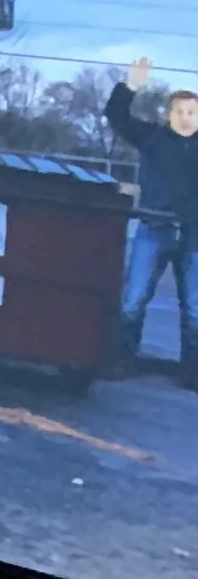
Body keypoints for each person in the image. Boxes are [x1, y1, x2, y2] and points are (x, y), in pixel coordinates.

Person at [105, 56, 198, 383]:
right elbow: (116, 116)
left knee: (195, 307)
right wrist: (129, 86)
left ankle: (192, 372)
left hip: (194, 235)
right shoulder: (152, 137)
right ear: (168, 114)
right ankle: (122, 359)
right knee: (132, 300)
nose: (185, 118)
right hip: (153, 228)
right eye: (179, 112)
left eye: (192, 112)